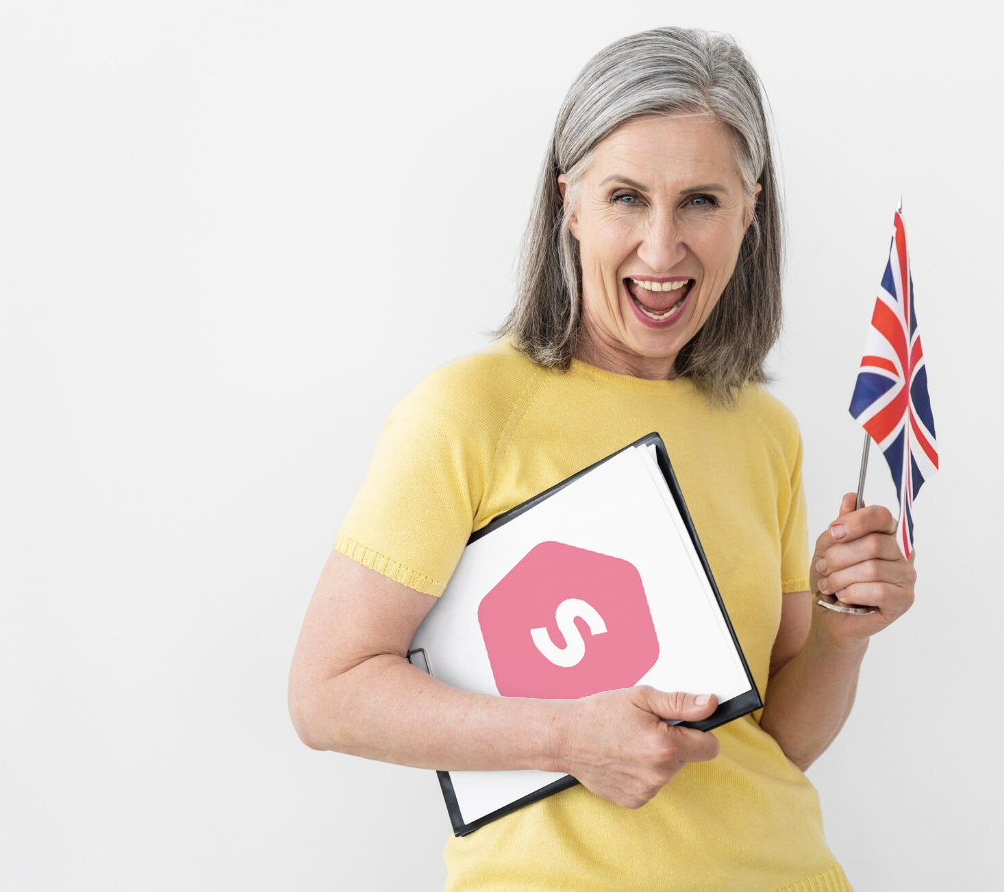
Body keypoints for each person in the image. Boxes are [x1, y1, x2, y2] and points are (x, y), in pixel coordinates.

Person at [288, 26, 916, 892]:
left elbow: (775, 743)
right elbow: (326, 694)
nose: (661, 248)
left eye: (701, 201)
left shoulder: (766, 431)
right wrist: (564, 737)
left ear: (750, 212)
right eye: (627, 197)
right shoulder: (468, 413)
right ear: (571, 205)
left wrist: (843, 638)